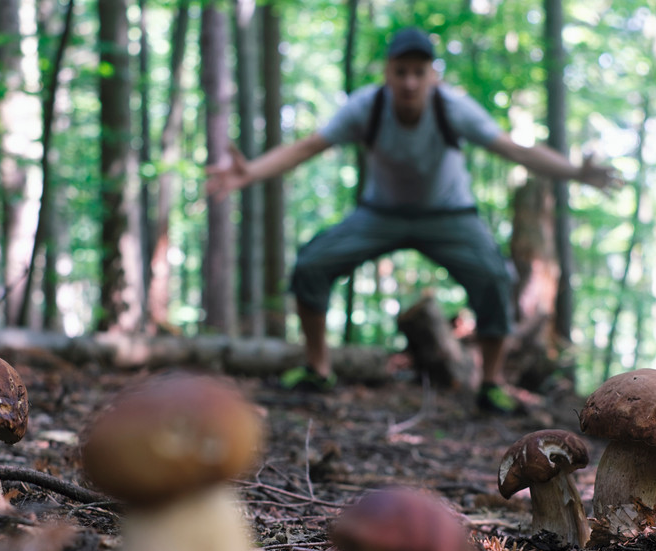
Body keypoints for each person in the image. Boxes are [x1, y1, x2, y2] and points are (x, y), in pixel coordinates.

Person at [206, 27, 617, 414]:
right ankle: (318, 369)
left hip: (449, 216)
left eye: (418, 72)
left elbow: (516, 151)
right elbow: (309, 146)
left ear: (432, 76)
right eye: (400, 71)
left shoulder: (452, 108)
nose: (408, 82)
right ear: (387, 72)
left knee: (493, 278)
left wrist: (575, 172)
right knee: (312, 265)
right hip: (379, 214)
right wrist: (251, 172)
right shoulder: (366, 108)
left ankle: (490, 384)